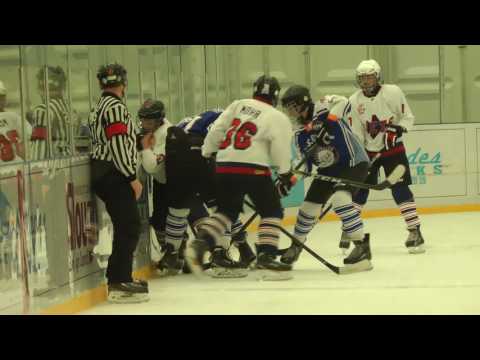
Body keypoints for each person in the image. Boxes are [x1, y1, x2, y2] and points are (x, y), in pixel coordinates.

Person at [184, 75, 295, 277]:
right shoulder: (277, 117)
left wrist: (208, 151)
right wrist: (286, 172)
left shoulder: (238, 105)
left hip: (224, 165)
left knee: (227, 210)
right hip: (253, 168)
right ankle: (267, 258)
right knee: (272, 210)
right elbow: (280, 150)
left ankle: (200, 244)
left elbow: (218, 129)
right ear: (276, 96)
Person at [138, 103, 255, 277]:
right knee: (222, 208)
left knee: (180, 210)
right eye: (143, 120)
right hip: (194, 159)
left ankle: (172, 254)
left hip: (176, 170)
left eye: (149, 120)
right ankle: (221, 255)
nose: (144, 124)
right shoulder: (236, 121)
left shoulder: (181, 125)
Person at [279, 85, 373, 271]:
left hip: (353, 162)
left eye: (293, 106)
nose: (290, 111)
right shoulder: (298, 133)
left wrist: (328, 121)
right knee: (307, 208)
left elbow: (344, 102)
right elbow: (304, 165)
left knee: (340, 199)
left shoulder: (322, 107)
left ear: (304, 102)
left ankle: (361, 246)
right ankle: (296, 245)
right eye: (287, 108)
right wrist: (290, 180)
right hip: (328, 170)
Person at [347, 59, 425, 254]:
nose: (366, 81)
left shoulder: (392, 92)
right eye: (362, 78)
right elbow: (356, 131)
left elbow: (408, 117)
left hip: (393, 151)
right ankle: (351, 230)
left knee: (400, 189)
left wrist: (398, 130)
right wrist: (361, 152)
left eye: (369, 77)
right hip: (368, 152)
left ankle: (415, 230)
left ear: (378, 76)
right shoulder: (353, 100)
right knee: (359, 191)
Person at [88, 63, 148, 303]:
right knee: (129, 225)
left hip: (107, 173)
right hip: (114, 174)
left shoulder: (100, 106)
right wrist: (132, 177)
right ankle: (118, 281)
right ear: (123, 83)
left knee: (126, 225)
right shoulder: (114, 107)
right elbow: (118, 145)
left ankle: (120, 277)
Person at [30, 66, 71, 160]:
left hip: (53, 168)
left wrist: (35, 170)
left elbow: (39, 149)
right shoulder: (69, 108)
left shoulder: (43, 110)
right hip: (69, 161)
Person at [0, 80, 29, 162]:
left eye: (2, 97)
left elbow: (28, 139)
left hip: (16, 167)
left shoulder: (13, 116)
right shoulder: (13, 116)